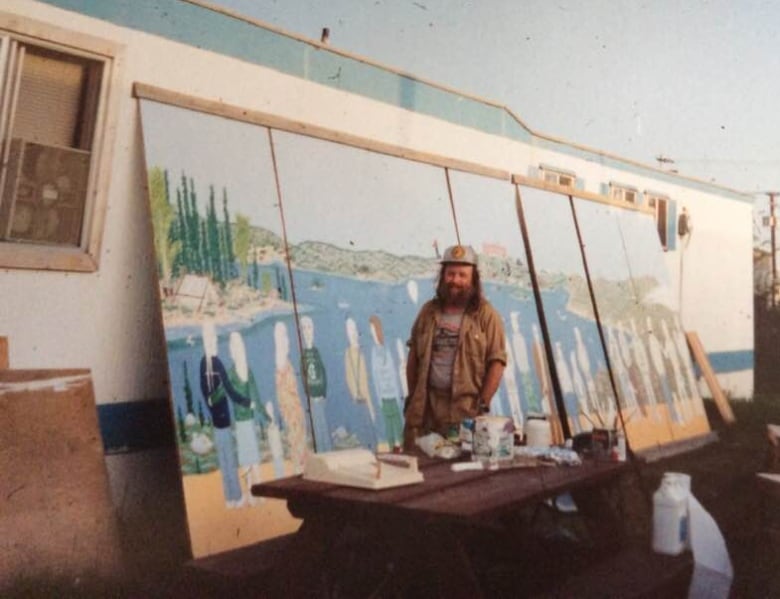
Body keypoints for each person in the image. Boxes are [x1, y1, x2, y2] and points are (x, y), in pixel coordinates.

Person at [403, 244, 507, 450]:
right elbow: (413, 357)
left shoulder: (487, 315)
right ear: (442, 277)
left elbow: (497, 362)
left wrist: (483, 405)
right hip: (427, 412)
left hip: (466, 414)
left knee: (461, 471)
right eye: (450, 274)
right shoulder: (427, 312)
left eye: (462, 275)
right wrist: (413, 396)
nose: (455, 281)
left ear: (473, 280)